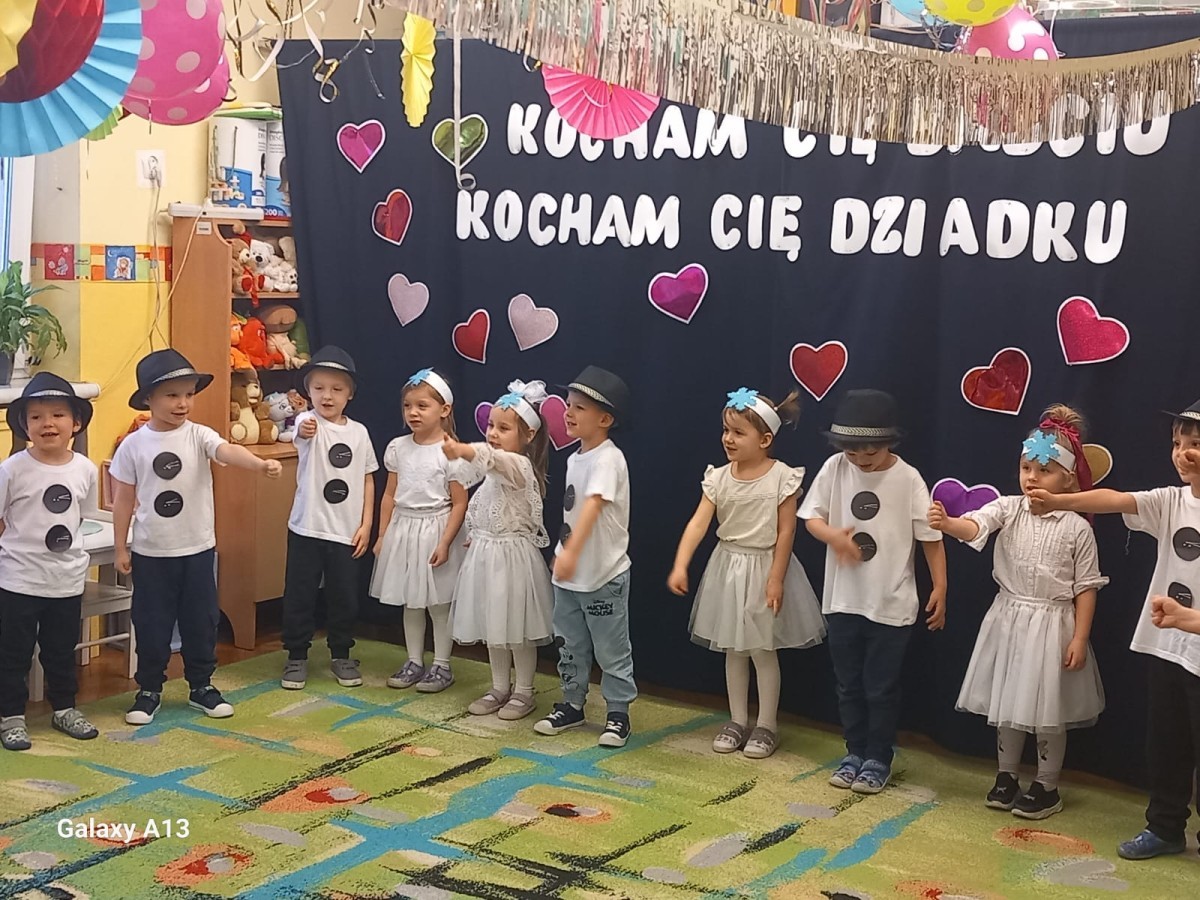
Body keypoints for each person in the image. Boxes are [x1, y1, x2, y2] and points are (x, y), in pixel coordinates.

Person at [1030, 400, 1200, 859]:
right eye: (1177, 443)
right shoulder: (1172, 501)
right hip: (1169, 649)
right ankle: (1164, 828)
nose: (1182, 453)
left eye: (1196, 444)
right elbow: (1116, 500)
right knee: (1166, 745)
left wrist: (1188, 619)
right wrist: (1060, 501)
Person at [929, 404, 1105, 819]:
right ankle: (1006, 775)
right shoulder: (1008, 509)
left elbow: (1086, 588)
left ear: (1068, 477)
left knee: (1048, 712)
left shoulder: (1078, 528)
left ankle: (1047, 785)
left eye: (1044, 470)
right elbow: (977, 525)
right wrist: (949, 524)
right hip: (1009, 621)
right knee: (1008, 703)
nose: (1032, 477)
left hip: (1053, 627)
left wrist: (1080, 637)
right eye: (1026, 468)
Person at [110, 349, 282, 725]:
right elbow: (123, 499)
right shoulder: (133, 446)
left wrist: (259, 464)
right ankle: (149, 689)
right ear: (149, 399)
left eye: (188, 394)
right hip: (151, 553)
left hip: (198, 550)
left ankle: (201, 685)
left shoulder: (199, 435)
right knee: (151, 623)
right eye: (172, 395)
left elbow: (227, 450)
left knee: (201, 620)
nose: (183, 403)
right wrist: (121, 546)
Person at [798, 389, 947, 795]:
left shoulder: (908, 478)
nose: (862, 460)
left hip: (890, 604)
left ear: (890, 442)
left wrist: (940, 585)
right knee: (848, 684)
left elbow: (930, 536)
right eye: (853, 453)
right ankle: (854, 752)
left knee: (880, 688)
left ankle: (878, 757)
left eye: (871, 452)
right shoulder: (835, 468)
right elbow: (811, 517)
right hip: (843, 600)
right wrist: (834, 536)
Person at [668, 387, 825, 759]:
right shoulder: (719, 478)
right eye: (726, 430)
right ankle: (737, 719)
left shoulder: (782, 478)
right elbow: (698, 523)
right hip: (728, 569)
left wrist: (776, 578)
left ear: (765, 439)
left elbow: (786, 531)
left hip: (764, 567)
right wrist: (681, 563)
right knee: (734, 649)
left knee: (762, 649)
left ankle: (767, 725)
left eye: (738, 432)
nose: (728, 438)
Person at [534, 366, 636, 748]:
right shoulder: (576, 458)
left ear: (605, 419)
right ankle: (572, 705)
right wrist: (563, 554)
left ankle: (618, 714)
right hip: (570, 575)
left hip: (602, 576)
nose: (568, 413)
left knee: (611, 649)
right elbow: (572, 513)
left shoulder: (608, 459)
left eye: (580, 407)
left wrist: (572, 553)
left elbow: (593, 506)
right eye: (568, 405)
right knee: (570, 645)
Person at [442, 380, 554, 721]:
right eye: (491, 425)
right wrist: (477, 534)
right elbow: (485, 505)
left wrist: (462, 449)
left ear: (528, 435)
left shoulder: (518, 466)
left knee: (517, 629)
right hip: (487, 558)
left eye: (503, 428)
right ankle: (499, 687)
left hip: (513, 560)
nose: (493, 433)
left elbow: (491, 459)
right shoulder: (492, 473)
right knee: (494, 626)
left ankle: (524, 691)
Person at [0, 374, 100, 750]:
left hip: (66, 579)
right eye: (36, 416)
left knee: (61, 650)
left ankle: (65, 708)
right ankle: (11, 716)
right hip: (19, 580)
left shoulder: (85, 469)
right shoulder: (12, 469)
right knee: (14, 653)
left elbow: (83, 516)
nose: (48, 424)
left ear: (76, 422)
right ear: (24, 425)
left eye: (58, 414)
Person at [280, 347, 377, 690]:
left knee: (344, 596)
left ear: (350, 394)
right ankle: (296, 655)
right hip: (306, 529)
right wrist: (304, 427)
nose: (327, 396)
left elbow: (367, 478)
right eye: (319, 388)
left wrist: (366, 524)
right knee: (299, 594)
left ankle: (341, 653)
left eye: (337, 389)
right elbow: (301, 431)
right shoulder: (307, 424)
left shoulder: (360, 433)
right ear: (308, 392)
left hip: (345, 532)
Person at [371, 368, 469, 693]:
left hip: (435, 531)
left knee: (438, 604)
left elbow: (459, 503)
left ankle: (442, 664)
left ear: (444, 409)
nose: (413, 412)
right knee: (410, 602)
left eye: (422, 406)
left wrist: (445, 542)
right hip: (404, 530)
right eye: (408, 406)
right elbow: (389, 494)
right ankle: (414, 660)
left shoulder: (451, 452)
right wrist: (382, 534)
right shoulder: (397, 447)